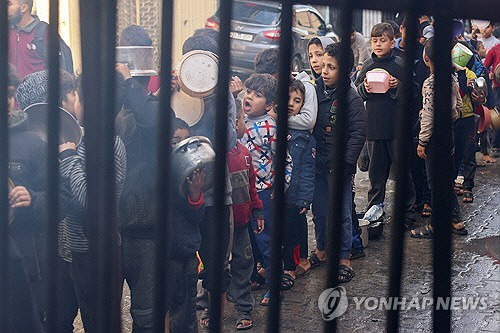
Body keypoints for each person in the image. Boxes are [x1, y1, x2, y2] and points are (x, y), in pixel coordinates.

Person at [58, 75, 127, 332]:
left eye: (76, 96)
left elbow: (90, 200)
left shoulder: (108, 145)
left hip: (94, 252)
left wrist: (68, 157)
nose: (74, 102)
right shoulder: (85, 139)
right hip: (73, 249)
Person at [310, 43, 366, 283]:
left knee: (341, 213)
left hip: (339, 167)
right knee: (320, 211)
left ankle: (344, 258)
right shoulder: (314, 92)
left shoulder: (351, 99)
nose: (325, 71)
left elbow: (357, 134)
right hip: (317, 164)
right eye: (323, 66)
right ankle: (322, 249)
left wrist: (346, 163)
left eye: (331, 67)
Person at [355, 22, 417, 230]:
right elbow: (356, 92)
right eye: (375, 40)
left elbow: (414, 92)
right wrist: (364, 88)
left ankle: (408, 212)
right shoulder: (367, 66)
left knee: (402, 172)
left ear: (393, 42)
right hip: (374, 127)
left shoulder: (400, 64)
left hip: (397, 128)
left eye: (383, 40)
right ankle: (375, 210)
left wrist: (398, 86)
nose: (378, 44)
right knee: (376, 175)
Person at [239, 73, 292, 305]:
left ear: (270, 105)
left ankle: (275, 283)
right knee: (247, 239)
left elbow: (284, 160)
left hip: (264, 193)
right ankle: (253, 277)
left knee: (266, 239)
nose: (249, 96)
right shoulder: (238, 120)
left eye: (257, 95)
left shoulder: (270, 127)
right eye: (248, 91)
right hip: (241, 190)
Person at [412, 37, 467, 238]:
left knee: (434, 182)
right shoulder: (451, 77)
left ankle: (435, 225)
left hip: (434, 137)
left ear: (426, 59)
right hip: (450, 132)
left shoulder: (430, 83)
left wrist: (422, 142)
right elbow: (459, 104)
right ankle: (456, 220)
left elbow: (428, 115)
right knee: (445, 179)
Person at [5, 63, 44, 333]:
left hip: (24, 261)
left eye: (9, 93)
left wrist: (34, 198)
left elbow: (60, 199)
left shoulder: (32, 143)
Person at [226, 102, 264, 330]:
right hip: (219, 223)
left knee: (243, 264)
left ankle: (243, 308)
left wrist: (257, 211)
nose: (243, 126)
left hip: (241, 224)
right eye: (239, 122)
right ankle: (209, 305)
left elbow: (252, 188)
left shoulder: (246, 155)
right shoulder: (214, 156)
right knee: (214, 266)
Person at [166, 119, 206, 333]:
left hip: (187, 251)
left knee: (187, 309)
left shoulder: (192, 177)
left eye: (185, 142)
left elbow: (197, 216)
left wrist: (195, 193)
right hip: (165, 253)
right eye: (175, 141)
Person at [281, 80, 316, 288]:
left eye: (297, 101)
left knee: (292, 233)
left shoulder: (305, 139)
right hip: (276, 194)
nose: (291, 104)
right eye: (288, 99)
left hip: (294, 197)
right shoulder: (274, 129)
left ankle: (290, 268)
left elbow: (307, 171)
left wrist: (304, 198)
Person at [452, 41, 486, 204]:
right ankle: (451, 183)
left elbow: (480, 97)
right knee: (453, 154)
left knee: (468, 152)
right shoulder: (446, 74)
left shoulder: (471, 75)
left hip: (467, 117)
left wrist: (478, 96)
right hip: (451, 118)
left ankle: (468, 186)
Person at [255, 47, 318, 132]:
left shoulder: (306, 87)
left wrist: (275, 117)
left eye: (274, 80)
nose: (269, 84)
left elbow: (308, 121)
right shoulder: (267, 86)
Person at [7, 0, 73, 79]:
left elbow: (62, 71)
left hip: (40, 90)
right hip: (11, 90)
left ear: (23, 8)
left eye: (9, 4)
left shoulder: (46, 32)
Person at [484, 43, 500, 158]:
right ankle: (495, 146)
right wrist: (490, 74)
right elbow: (485, 66)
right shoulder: (495, 49)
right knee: (497, 115)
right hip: (498, 87)